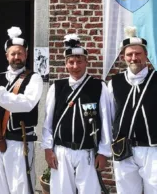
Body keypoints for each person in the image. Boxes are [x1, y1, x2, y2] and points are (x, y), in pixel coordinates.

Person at [108, 26, 157, 194]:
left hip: (154, 151)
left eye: (138, 54)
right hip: (123, 151)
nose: (134, 58)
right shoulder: (114, 83)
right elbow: (109, 118)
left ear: (146, 56)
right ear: (123, 57)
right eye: (129, 54)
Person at [41, 34, 113, 194]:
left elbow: (106, 121)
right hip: (61, 151)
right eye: (71, 62)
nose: (75, 66)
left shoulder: (99, 87)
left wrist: (103, 152)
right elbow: (48, 122)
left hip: (87, 152)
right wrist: (47, 148)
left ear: (86, 62)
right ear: (66, 64)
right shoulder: (57, 87)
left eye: (79, 61)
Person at [0, 26, 43, 194]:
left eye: (20, 53)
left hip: (21, 143)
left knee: (20, 187)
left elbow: (26, 103)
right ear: (7, 56)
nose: (16, 57)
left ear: (26, 55)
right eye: (13, 53)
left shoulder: (34, 78)